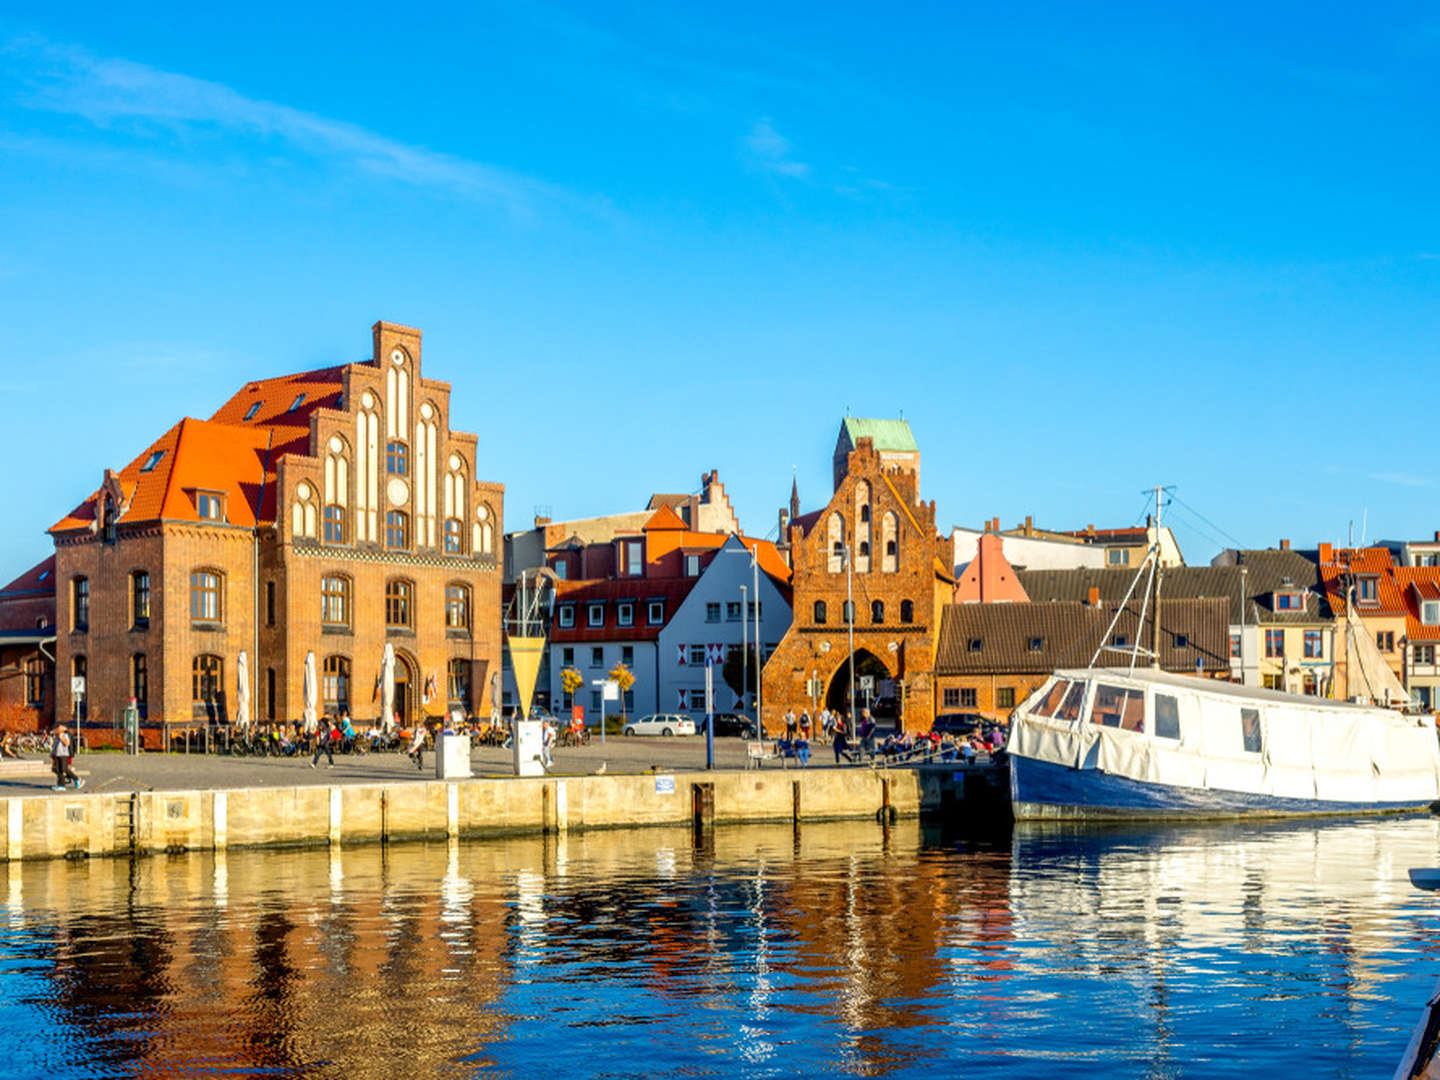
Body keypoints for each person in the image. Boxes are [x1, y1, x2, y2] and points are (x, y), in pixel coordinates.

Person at [50, 724, 81, 790]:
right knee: (58, 770)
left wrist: (61, 738)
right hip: (57, 755)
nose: (56, 730)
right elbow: (55, 747)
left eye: (57, 729)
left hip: (64, 755)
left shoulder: (65, 735)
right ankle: (61, 785)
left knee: (64, 769)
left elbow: (67, 743)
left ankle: (76, 779)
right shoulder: (57, 737)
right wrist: (52, 754)